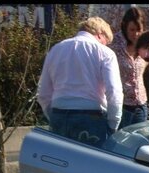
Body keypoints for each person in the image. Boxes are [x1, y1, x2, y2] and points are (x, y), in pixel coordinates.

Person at [37, 17, 123, 147]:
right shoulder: (105, 53)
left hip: (59, 113)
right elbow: (114, 92)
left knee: (60, 164)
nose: (106, 45)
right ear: (100, 35)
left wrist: (53, 116)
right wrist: (113, 124)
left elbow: (43, 92)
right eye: (106, 41)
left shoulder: (56, 49)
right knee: (90, 165)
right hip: (91, 117)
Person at [108, 6, 148, 129]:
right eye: (132, 30)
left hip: (140, 104)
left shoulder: (144, 44)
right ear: (125, 27)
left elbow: (146, 64)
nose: (135, 34)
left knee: (141, 140)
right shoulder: (114, 45)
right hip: (122, 105)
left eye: (139, 30)